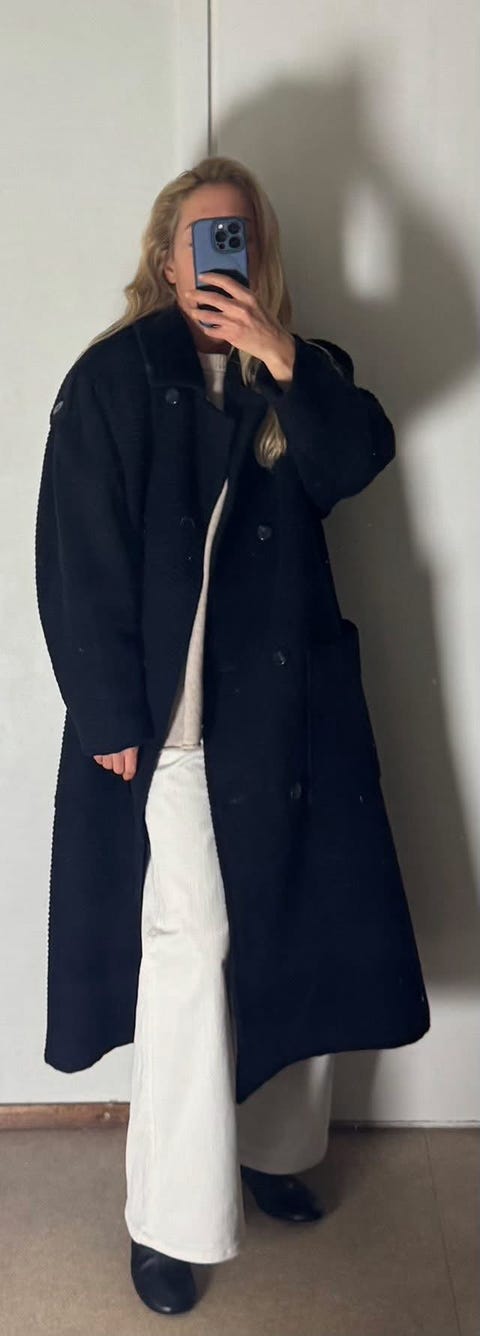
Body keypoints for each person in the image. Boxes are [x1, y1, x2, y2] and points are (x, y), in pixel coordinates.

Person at [35, 155, 430, 1317]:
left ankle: (271, 1151)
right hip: (174, 731)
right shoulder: (114, 377)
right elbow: (76, 551)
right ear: (168, 258)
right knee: (191, 952)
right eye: (202, 238)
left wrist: (279, 354)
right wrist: (108, 711)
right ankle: (167, 1218)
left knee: (295, 931)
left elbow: (353, 462)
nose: (222, 257)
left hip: (290, 721)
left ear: (261, 256)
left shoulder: (305, 369)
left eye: (240, 237)